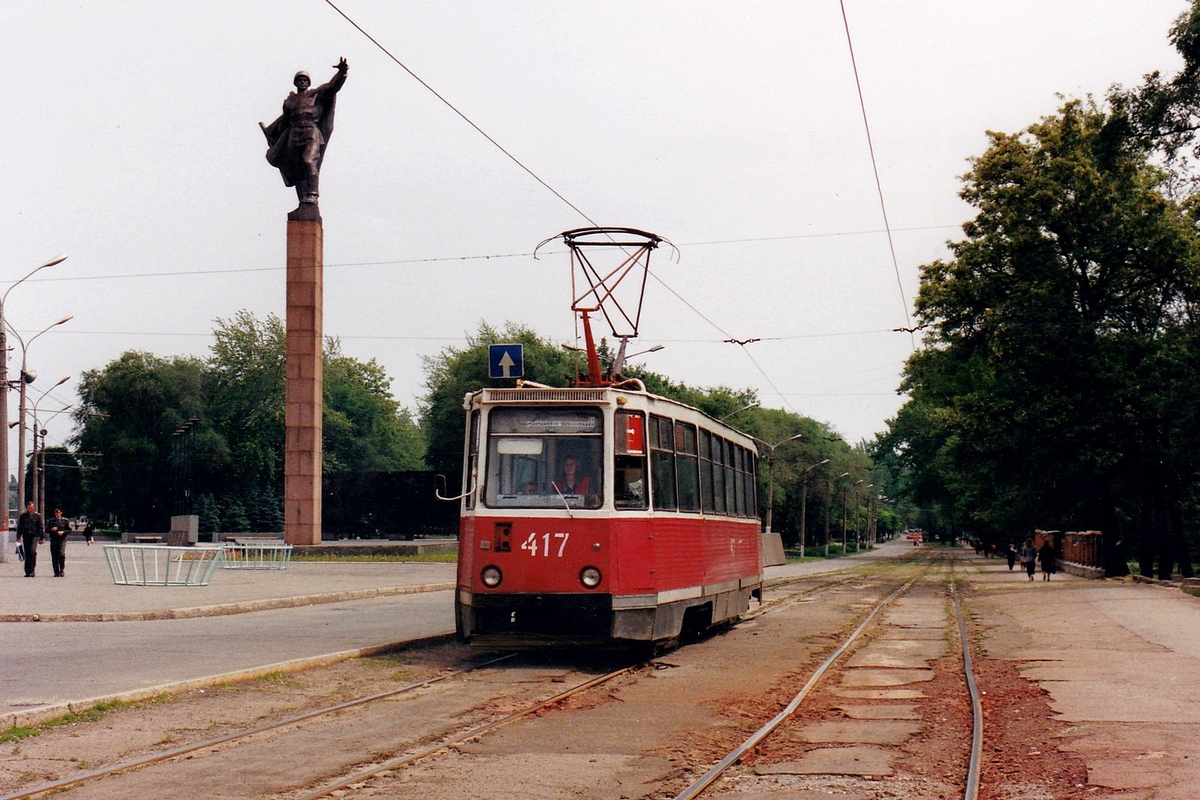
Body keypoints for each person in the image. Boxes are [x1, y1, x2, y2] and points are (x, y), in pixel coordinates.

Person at [262, 58, 349, 207]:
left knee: (308, 161)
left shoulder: (316, 94)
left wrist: (342, 72)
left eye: (305, 80)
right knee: (297, 170)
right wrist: (275, 139)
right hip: (294, 135)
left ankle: (313, 195)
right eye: (300, 80)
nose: (302, 82)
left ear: (308, 83)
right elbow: (284, 122)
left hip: (311, 133)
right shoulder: (289, 101)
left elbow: (332, 87)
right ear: (296, 83)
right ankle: (303, 200)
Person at [16, 501, 43, 578]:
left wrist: (41, 538)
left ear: (33, 507)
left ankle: (32, 570)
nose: (30, 509)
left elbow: (40, 527)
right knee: (27, 553)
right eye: (29, 507)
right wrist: (18, 537)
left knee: (32, 552)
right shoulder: (23, 516)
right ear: (27, 508)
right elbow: (20, 527)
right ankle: (28, 571)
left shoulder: (37, 516)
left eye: (31, 507)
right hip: (26, 536)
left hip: (34, 536)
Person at [46, 507, 69, 578]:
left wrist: (63, 532)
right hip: (54, 539)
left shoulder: (65, 521)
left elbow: (69, 530)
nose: (57, 514)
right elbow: (46, 530)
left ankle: (61, 569)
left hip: (62, 539)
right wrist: (51, 529)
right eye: (56, 513)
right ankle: (56, 571)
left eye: (58, 513)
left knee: (61, 554)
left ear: (61, 513)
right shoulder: (51, 521)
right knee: (54, 556)